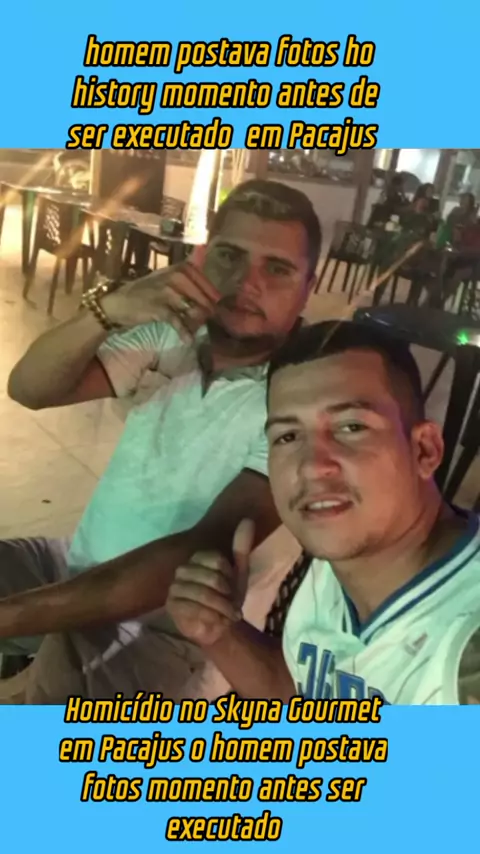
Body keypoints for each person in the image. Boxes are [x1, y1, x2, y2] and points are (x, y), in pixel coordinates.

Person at [1, 179, 321, 702]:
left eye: (278, 268)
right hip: (78, 563)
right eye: (230, 255)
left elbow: (197, 551)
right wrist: (108, 311)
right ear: (202, 257)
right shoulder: (174, 336)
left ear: (309, 287)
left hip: (173, 630)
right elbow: (29, 388)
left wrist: (10, 617)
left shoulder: (300, 394)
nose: (247, 282)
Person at [166, 321, 480, 705]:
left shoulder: (465, 653)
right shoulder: (338, 560)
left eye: (352, 427)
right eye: (288, 436)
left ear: (424, 450)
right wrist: (220, 632)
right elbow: (302, 689)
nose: (312, 467)